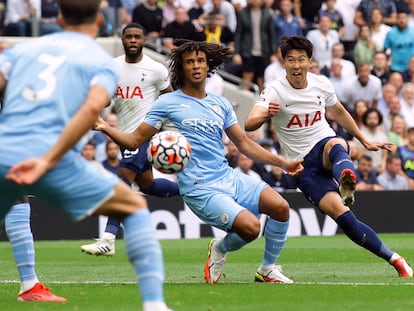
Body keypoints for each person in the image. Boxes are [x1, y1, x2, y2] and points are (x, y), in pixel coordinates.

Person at [0, 1, 171, 310]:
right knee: (132, 205)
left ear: (60, 18)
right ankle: (154, 304)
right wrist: (49, 159)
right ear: (102, 20)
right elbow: (93, 108)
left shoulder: (25, 49)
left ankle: (29, 284)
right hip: (48, 155)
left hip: (4, 149)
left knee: (17, 199)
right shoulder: (99, 61)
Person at [93, 40, 304, 284]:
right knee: (251, 227)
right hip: (200, 188)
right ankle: (220, 248)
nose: (195, 66)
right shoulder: (166, 103)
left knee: (280, 208)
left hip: (228, 177)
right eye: (190, 62)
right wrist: (103, 126)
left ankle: (267, 270)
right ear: (182, 68)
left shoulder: (220, 103)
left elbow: (244, 144)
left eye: (200, 61)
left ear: (207, 67)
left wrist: (282, 162)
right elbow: (133, 141)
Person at [244, 35, 413, 278]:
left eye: (301, 60)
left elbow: (340, 112)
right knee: (345, 220)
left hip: (324, 145)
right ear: (283, 63)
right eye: (290, 60)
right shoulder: (274, 91)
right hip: (302, 167)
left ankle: (346, 178)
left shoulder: (320, 84)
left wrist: (364, 140)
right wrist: (265, 115)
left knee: (335, 143)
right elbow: (249, 123)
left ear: (310, 62)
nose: (296, 65)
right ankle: (395, 258)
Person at [81, 22, 179, 257]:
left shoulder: (156, 69)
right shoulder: (112, 68)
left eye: (137, 37)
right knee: (149, 186)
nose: (133, 41)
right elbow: (105, 101)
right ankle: (192, 188)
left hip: (146, 133)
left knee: (122, 178)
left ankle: (108, 239)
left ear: (144, 40)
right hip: (124, 136)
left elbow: (171, 99)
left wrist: (164, 126)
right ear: (123, 40)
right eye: (129, 37)